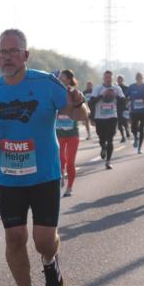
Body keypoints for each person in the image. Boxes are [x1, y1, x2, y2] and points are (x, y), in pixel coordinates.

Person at [0, 29, 88, 286]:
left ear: (26, 55)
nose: (7, 57)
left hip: (44, 174)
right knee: (15, 239)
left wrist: (80, 102)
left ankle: (49, 259)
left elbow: (80, 115)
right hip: (8, 177)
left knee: (43, 240)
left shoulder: (46, 84)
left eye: (13, 51)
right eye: (2, 52)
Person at [56, 69, 88, 197]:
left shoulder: (76, 93)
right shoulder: (55, 92)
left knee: (70, 161)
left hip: (72, 132)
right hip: (58, 132)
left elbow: (85, 112)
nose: (59, 79)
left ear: (69, 79)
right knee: (60, 159)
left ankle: (69, 187)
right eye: (59, 77)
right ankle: (60, 175)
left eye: (62, 77)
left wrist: (79, 103)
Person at [90, 70, 122, 170]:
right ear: (103, 78)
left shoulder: (116, 88)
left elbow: (123, 102)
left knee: (110, 139)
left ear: (112, 78)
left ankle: (108, 161)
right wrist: (102, 95)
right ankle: (103, 147)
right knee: (101, 138)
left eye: (110, 77)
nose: (108, 79)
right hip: (100, 118)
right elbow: (91, 103)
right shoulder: (98, 88)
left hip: (112, 117)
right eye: (106, 77)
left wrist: (116, 95)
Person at [127, 72, 144, 153]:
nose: (139, 78)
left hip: (143, 111)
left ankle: (139, 148)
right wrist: (127, 103)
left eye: (140, 77)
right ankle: (135, 138)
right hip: (133, 111)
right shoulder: (131, 87)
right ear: (136, 78)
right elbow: (126, 96)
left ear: (142, 78)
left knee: (141, 129)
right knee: (133, 128)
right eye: (137, 77)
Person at [116, 75, 130, 142]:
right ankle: (123, 136)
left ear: (123, 80)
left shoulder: (126, 88)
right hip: (117, 107)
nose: (119, 80)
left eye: (120, 79)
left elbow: (129, 97)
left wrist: (127, 104)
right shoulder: (115, 88)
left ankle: (127, 130)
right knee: (119, 123)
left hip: (125, 107)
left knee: (125, 121)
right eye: (118, 79)